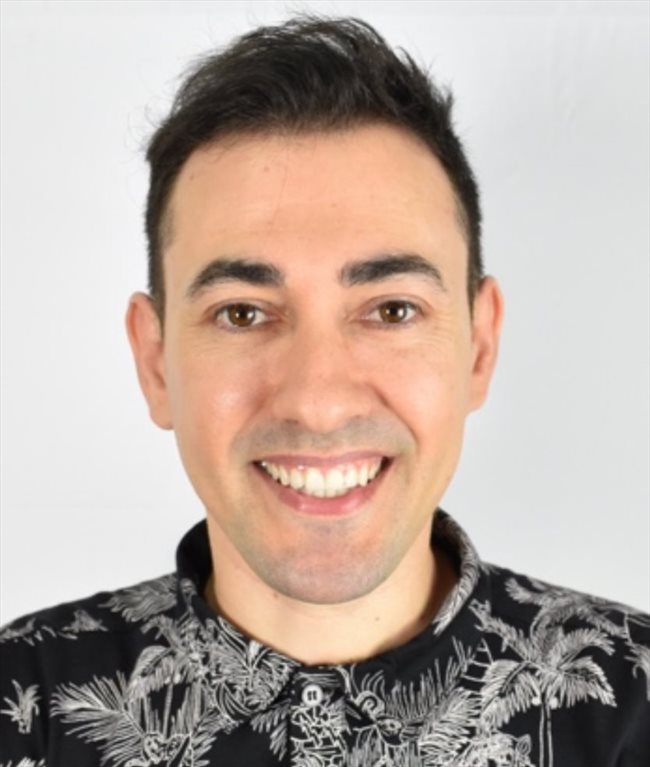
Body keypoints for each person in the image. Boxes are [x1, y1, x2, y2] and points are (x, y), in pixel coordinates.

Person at [0, 14, 647, 767]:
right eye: (242, 313)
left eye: (392, 310)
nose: (318, 402)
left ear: (478, 346)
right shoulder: (22, 700)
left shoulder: (632, 701)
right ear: (156, 363)